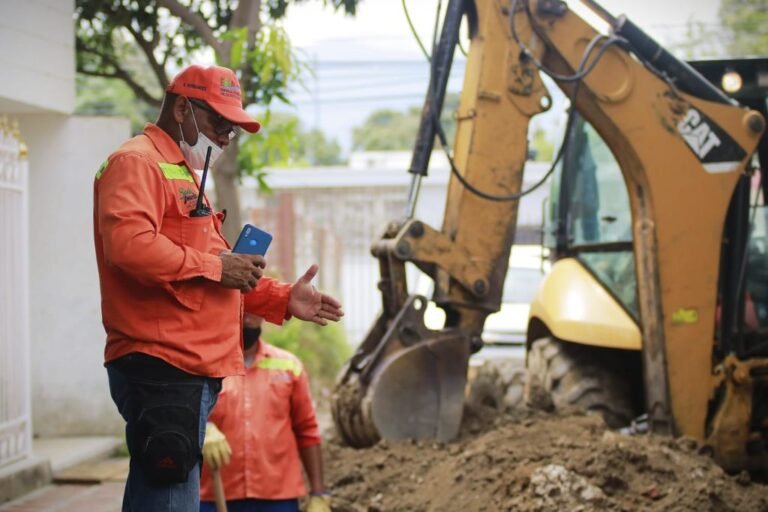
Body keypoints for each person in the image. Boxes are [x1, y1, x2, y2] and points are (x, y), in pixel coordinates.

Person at [93, 64, 343, 512]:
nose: (228, 135)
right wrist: (215, 265)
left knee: (164, 497)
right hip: (162, 364)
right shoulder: (137, 162)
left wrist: (283, 297)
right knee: (167, 499)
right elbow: (129, 247)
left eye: (233, 127)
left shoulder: (184, 176)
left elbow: (217, 279)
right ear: (182, 107)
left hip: (184, 371)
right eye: (220, 122)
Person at [199, 314, 331, 512]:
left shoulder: (289, 366)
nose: (249, 319)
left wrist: (318, 493)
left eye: (256, 312)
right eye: (244, 309)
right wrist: (202, 428)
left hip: (277, 499)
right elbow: (178, 415)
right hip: (214, 496)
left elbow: (307, 430)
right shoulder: (203, 366)